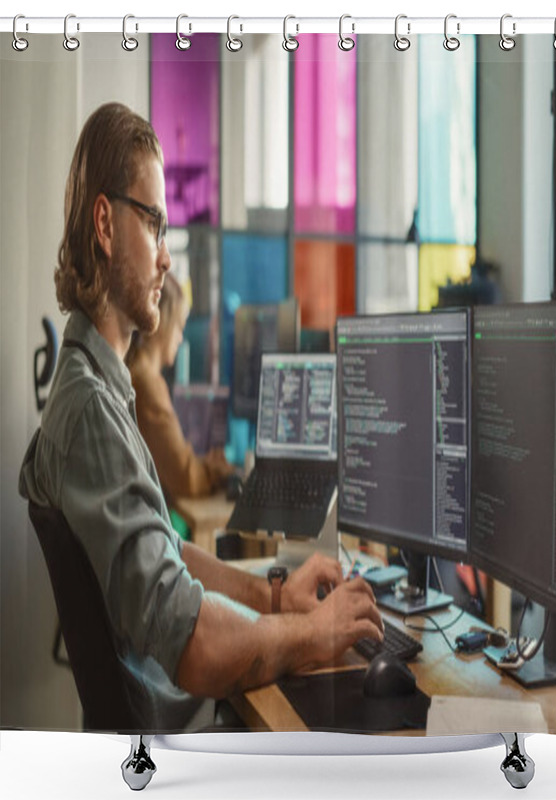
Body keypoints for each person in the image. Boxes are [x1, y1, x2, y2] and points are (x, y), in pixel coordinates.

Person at [18, 102, 383, 732]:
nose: (166, 258)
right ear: (106, 224)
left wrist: (273, 596)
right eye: (155, 224)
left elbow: (169, 551)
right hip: (177, 745)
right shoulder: (90, 411)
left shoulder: (99, 388)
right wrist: (312, 632)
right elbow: (196, 646)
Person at [126, 273, 232, 499]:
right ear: (163, 323)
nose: (181, 338)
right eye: (179, 327)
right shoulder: (147, 384)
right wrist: (219, 473)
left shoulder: (135, 371)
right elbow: (186, 479)